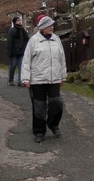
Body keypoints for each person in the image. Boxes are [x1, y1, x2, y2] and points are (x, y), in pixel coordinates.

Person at [21, 15, 67, 143]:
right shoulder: (34, 40)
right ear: (41, 27)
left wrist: (63, 76)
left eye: (52, 25)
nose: (51, 27)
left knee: (57, 103)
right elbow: (26, 60)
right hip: (37, 80)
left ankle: (53, 124)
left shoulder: (56, 39)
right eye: (48, 25)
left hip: (54, 79)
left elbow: (62, 59)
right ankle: (39, 132)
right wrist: (25, 78)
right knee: (39, 107)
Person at [6, 16, 29, 86]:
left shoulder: (22, 30)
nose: (19, 21)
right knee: (13, 66)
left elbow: (26, 39)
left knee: (21, 66)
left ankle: (20, 81)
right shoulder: (12, 31)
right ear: (14, 22)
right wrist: (9, 52)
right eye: (18, 20)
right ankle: (11, 80)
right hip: (14, 52)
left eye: (20, 20)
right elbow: (9, 42)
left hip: (21, 51)